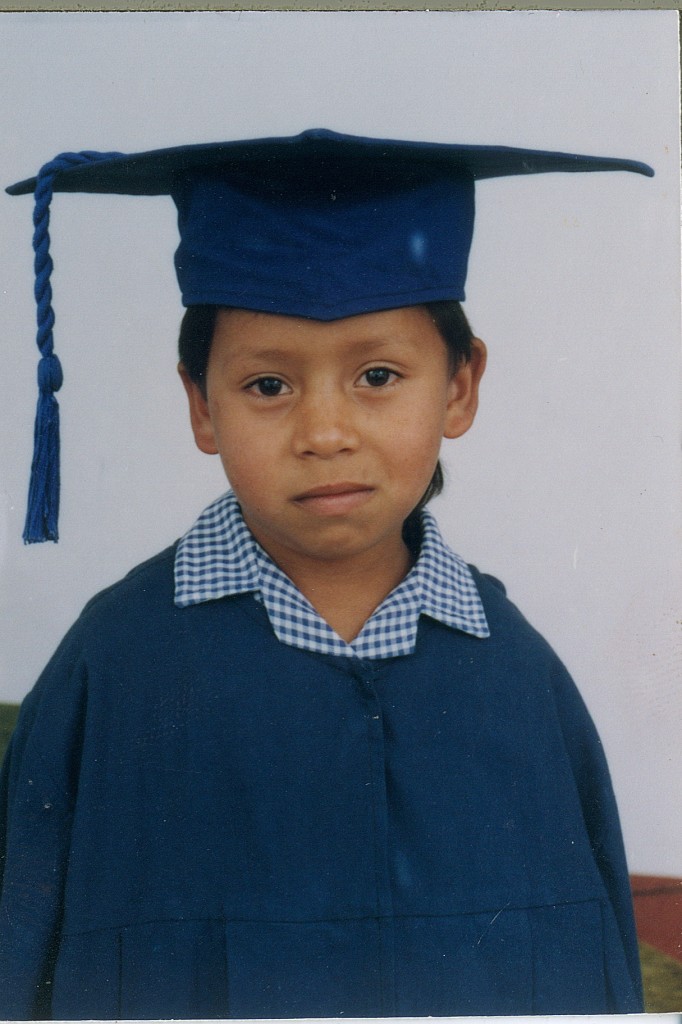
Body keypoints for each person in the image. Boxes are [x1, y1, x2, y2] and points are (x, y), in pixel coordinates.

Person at [0, 129, 652, 1019]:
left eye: (378, 375)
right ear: (201, 405)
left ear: (460, 388)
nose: (325, 432)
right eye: (268, 387)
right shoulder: (111, 670)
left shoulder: (520, 678)